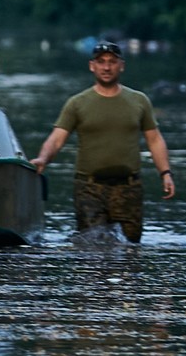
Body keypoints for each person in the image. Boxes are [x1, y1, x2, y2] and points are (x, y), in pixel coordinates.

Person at [31, 40, 175, 242]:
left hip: (128, 188)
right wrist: (43, 160)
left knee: (130, 251)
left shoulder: (139, 101)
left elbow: (154, 140)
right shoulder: (77, 103)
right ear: (92, 66)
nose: (106, 67)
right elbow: (56, 139)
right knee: (93, 251)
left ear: (121, 65)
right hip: (89, 189)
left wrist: (165, 173)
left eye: (112, 62)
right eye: (101, 62)